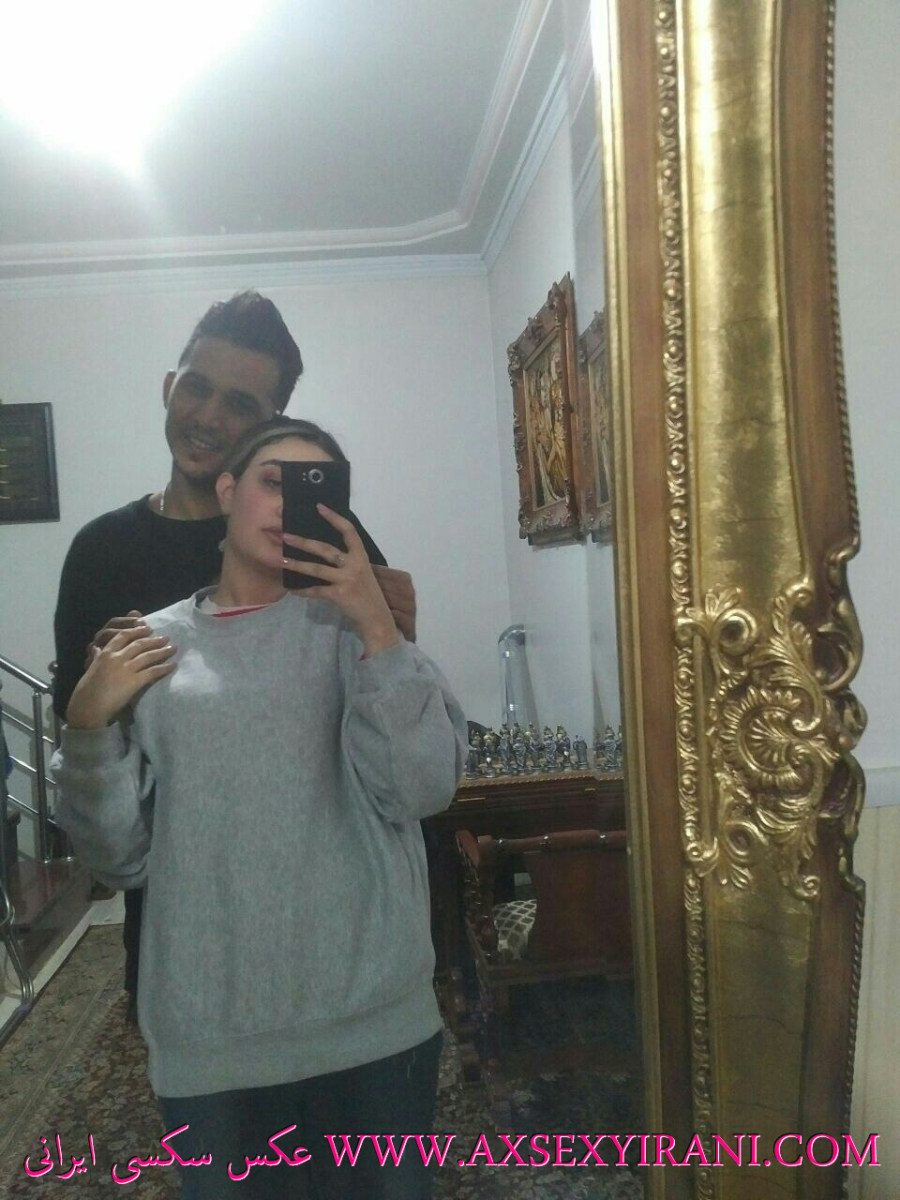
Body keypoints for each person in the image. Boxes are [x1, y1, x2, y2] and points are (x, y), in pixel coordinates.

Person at [52, 417, 467, 1199]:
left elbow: (420, 790)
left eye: (318, 490)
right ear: (226, 491)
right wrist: (87, 724)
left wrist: (378, 628)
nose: (288, 504)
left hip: (374, 1026)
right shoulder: (149, 650)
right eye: (272, 481)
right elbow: (117, 859)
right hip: (213, 1043)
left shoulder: (361, 635)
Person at [51, 291, 416, 1021]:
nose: (210, 416)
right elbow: (81, 737)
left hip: (339, 930)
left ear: (273, 423)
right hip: (186, 938)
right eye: (197, 387)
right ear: (169, 387)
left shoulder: (320, 534)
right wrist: (101, 694)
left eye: (241, 404)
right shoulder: (101, 551)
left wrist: (393, 628)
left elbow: (390, 709)